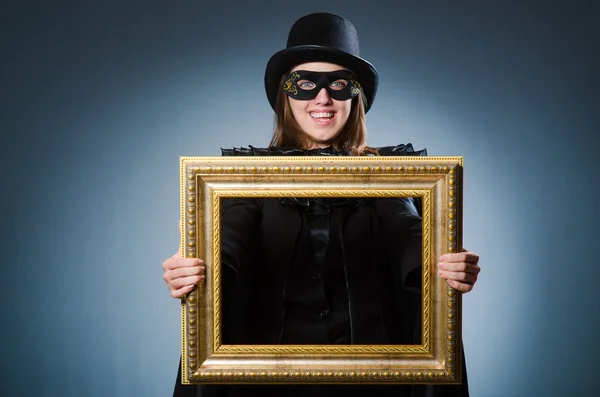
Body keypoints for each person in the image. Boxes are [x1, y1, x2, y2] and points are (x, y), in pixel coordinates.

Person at [163, 12, 481, 397]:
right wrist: (196, 261)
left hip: (372, 385)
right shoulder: (245, 180)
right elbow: (230, 240)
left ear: (356, 97)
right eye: (306, 84)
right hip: (269, 386)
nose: (323, 98)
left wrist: (445, 258)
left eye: (339, 84)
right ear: (286, 96)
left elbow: (408, 230)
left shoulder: (390, 177)